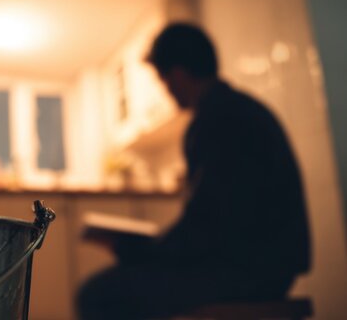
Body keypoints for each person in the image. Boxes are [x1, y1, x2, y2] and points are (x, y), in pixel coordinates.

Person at [76, 23, 311, 319]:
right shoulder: (242, 110)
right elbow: (218, 218)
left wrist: (139, 250)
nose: (167, 90)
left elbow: (208, 225)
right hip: (267, 268)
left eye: (164, 81)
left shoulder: (216, 119)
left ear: (177, 75)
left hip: (247, 274)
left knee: (98, 294)